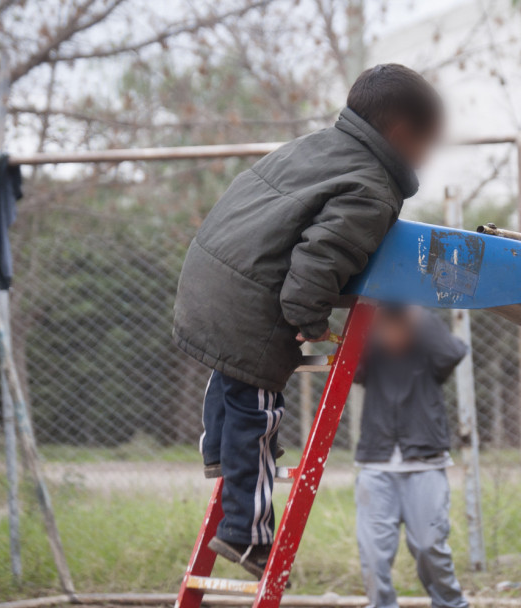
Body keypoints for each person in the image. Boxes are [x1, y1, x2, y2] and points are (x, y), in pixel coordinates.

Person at [172, 64, 444, 578]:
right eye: (427, 145)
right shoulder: (371, 187)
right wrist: (310, 320)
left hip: (209, 284)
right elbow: (320, 259)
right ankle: (246, 534)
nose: (426, 158)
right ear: (403, 136)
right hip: (250, 307)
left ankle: (220, 450)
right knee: (259, 414)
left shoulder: (317, 148)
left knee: (231, 384)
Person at [353, 305, 470, 608]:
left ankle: (450, 604)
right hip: (376, 463)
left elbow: (452, 352)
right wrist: (372, 320)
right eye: (386, 328)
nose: (394, 335)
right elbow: (352, 366)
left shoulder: (427, 352)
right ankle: (381, 605)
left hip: (425, 462)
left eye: (399, 326)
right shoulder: (374, 355)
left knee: (429, 546)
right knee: (374, 552)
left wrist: (415, 315)